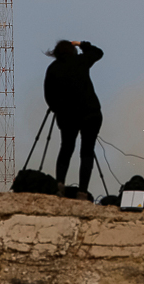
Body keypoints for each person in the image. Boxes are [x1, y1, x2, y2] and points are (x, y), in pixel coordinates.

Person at [44, 40, 104, 200]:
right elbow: (98, 53)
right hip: (90, 114)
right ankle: (82, 192)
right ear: (72, 51)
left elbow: (49, 96)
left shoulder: (53, 68)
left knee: (66, 150)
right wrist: (81, 44)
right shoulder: (80, 61)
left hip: (68, 117)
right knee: (87, 152)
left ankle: (60, 185)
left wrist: (59, 110)